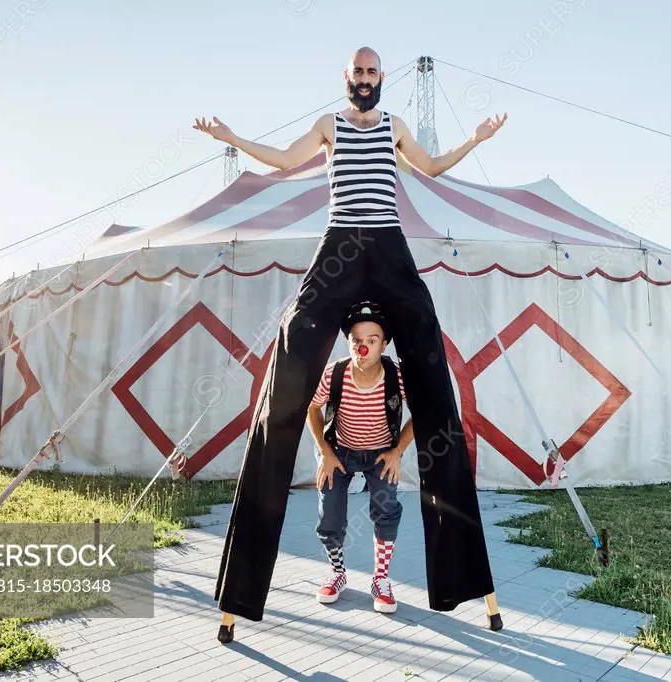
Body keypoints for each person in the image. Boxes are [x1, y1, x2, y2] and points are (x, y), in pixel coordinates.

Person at [195, 46, 508, 643]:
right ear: (346, 79)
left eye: (372, 73)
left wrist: (475, 141)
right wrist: (233, 136)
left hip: (388, 247)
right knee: (288, 363)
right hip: (339, 246)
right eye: (357, 73)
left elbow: (432, 167)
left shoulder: (394, 127)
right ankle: (241, 593)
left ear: (381, 79)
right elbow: (286, 160)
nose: (364, 80)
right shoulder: (329, 126)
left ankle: (463, 580)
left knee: (432, 371)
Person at [307, 302, 413, 614]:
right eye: (357, 340)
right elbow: (312, 408)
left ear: (384, 343)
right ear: (348, 341)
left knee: (386, 509)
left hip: (381, 453)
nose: (363, 347)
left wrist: (397, 452)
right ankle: (337, 573)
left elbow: (422, 414)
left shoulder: (397, 375)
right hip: (338, 451)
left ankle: (380, 578)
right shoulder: (335, 373)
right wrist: (325, 453)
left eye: (372, 340)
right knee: (330, 514)